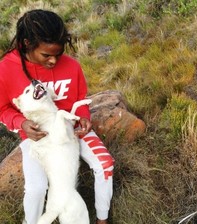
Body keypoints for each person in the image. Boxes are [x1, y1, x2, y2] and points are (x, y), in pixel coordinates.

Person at [0, 9, 114, 224]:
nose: (53, 61)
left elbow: (80, 98)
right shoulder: (6, 69)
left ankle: (102, 219)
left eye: (58, 54)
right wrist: (21, 123)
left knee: (104, 164)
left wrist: (82, 116)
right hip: (38, 137)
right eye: (46, 55)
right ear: (26, 44)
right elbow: (3, 108)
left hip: (71, 130)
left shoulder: (72, 66)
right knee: (36, 188)